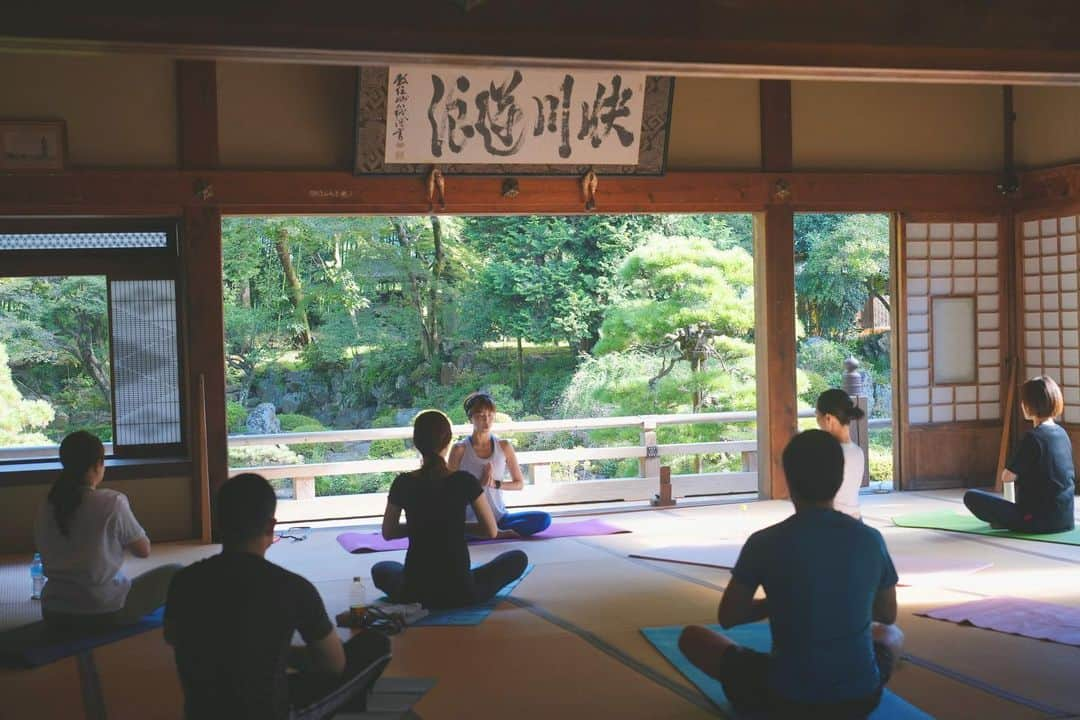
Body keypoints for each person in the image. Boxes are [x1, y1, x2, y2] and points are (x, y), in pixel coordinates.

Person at [678, 430, 904, 719]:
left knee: (693, 638)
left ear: (789, 479)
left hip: (783, 700)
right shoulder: (870, 539)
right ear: (840, 477)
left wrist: (780, 602)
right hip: (860, 699)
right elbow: (887, 614)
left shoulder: (765, 541)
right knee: (892, 635)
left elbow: (729, 616)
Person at [165, 474, 390, 720]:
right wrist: (283, 653)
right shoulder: (293, 588)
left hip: (203, 713)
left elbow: (176, 639)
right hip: (273, 712)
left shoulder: (184, 581)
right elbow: (333, 666)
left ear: (219, 524)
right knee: (377, 645)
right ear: (271, 527)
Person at [372, 409, 528, 609]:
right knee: (517, 559)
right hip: (461, 590)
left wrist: (424, 527)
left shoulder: (403, 482)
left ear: (416, 443)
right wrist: (451, 526)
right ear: (447, 443)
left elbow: (389, 532)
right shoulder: (464, 481)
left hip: (413, 591)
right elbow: (490, 530)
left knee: (381, 569)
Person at [34, 431, 181, 630]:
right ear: (97, 465)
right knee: (176, 573)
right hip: (102, 610)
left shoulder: (48, 502)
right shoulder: (112, 501)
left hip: (53, 611)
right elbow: (143, 551)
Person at [964, 375, 1076, 534]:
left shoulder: (1033, 437)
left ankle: (1011, 521)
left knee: (971, 497)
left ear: (1030, 405)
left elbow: (1007, 477)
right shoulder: (1062, 433)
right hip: (1065, 519)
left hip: (1036, 520)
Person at [449, 392, 552, 538]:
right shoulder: (459, 449)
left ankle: (491, 532)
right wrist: (479, 485)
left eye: (490, 415)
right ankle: (492, 533)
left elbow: (519, 484)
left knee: (543, 519)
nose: (486, 421)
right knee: (447, 529)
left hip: (499, 518)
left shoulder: (504, 446)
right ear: (470, 418)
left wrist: (495, 484)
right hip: (469, 521)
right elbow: (448, 492)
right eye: (480, 415)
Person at [815, 388, 867, 520]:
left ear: (828, 418)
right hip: (856, 520)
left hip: (833, 522)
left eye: (817, 416)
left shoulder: (829, 453)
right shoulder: (857, 451)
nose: (817, 422)